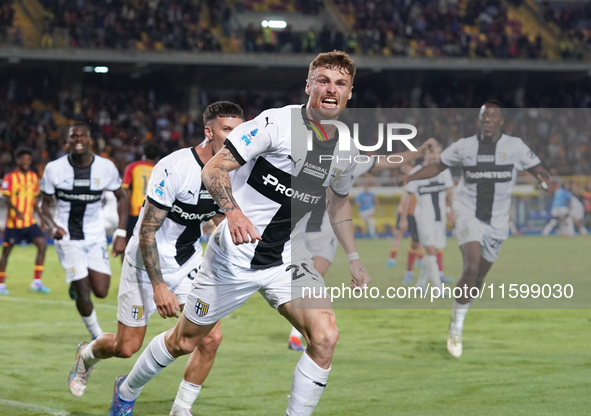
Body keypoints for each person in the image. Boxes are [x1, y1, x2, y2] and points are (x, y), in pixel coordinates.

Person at [109, 50, 372, 416]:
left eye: (340, 83)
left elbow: (339, 202)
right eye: (324, 81)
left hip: (286, 259)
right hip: (233, 257)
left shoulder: (347, 148)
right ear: (309, 85)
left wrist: (354, 258)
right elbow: (214, 168)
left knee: (325, 337)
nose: (331, 89)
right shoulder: (274, 125)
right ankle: (127, 389)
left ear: (349, 92)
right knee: (184, 341)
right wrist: (232, 212)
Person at [70, 102, 244, 416]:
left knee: (211, 337)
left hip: (189, 262)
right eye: (226, 130)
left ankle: (181, 409)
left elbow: (220, 217)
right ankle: (86, 355)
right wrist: (159, 286)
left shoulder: (234, 171)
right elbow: (147, 232)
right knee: (126, 347)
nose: (235, 137)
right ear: (209, 131)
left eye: (239, 130)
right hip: (145, 262)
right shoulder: (175, 166)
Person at [405, 100, 551, 358]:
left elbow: (539, 170)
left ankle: (459, 314)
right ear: (478, 120)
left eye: (493, 116)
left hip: (497, 223)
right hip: (467, 213)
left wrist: (545, 181)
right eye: (484, 116)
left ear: (501, 121)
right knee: (470, 267)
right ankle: (456, 327)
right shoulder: (464, 147)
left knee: (479, 278)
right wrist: (410, 177)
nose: (488, 120)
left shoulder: (515, 147)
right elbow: (438, 165)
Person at [289, 146, 432, 350]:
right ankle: (297, 334)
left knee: (304, 279)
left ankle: (300, 330)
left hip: (295, 227)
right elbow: (388, 161)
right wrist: (419, 151)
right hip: (321, 230)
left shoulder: (303, 153)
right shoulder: (346, 160)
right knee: (311, 279)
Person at [40, 122, 129, 339]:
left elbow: (122, 198)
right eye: (73, 136)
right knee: (82, 289)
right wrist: (53, 226)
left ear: (90, 140)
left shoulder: (105, 167)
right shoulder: (54, 169)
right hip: (68, 237)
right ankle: (97, 336)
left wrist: (120, 233)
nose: (78, 139)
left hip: (95, 235)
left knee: (101, 291)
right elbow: (42, 204)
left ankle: (76, 284)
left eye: (82, 136)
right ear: (67, 141)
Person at [400, 142, 455, 293]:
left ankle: (420, 285)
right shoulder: (417, 172)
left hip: (440, 218)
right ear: (425, 154)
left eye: (437, 153)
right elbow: (407, 196)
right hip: (424, 218)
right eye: (431, 153)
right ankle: (439, 288)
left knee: (435, 251)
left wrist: (451, 210)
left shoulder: (444, 171)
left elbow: (450, 192)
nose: (434, 156)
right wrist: (403, 218)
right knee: (431, 251)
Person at [0, 147, 50, 295]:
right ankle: (1, 283)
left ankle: (37, 282)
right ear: (18, 161)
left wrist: (41, 218)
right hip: (13, 223)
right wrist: (16, 211)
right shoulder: (10, 177)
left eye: (28, 159)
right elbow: (5, 197)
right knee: (6, 253)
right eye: (24, 159)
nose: (26, 162)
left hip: (29, 221)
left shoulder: (34, 177)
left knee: (42, 245)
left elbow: (35, 200)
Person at [122, 143, 159, 243]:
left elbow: (125, 188)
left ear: (143, 154)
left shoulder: (133, 166)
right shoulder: (158, 169)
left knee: (129, 242)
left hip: (135, 209)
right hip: (154, 211)